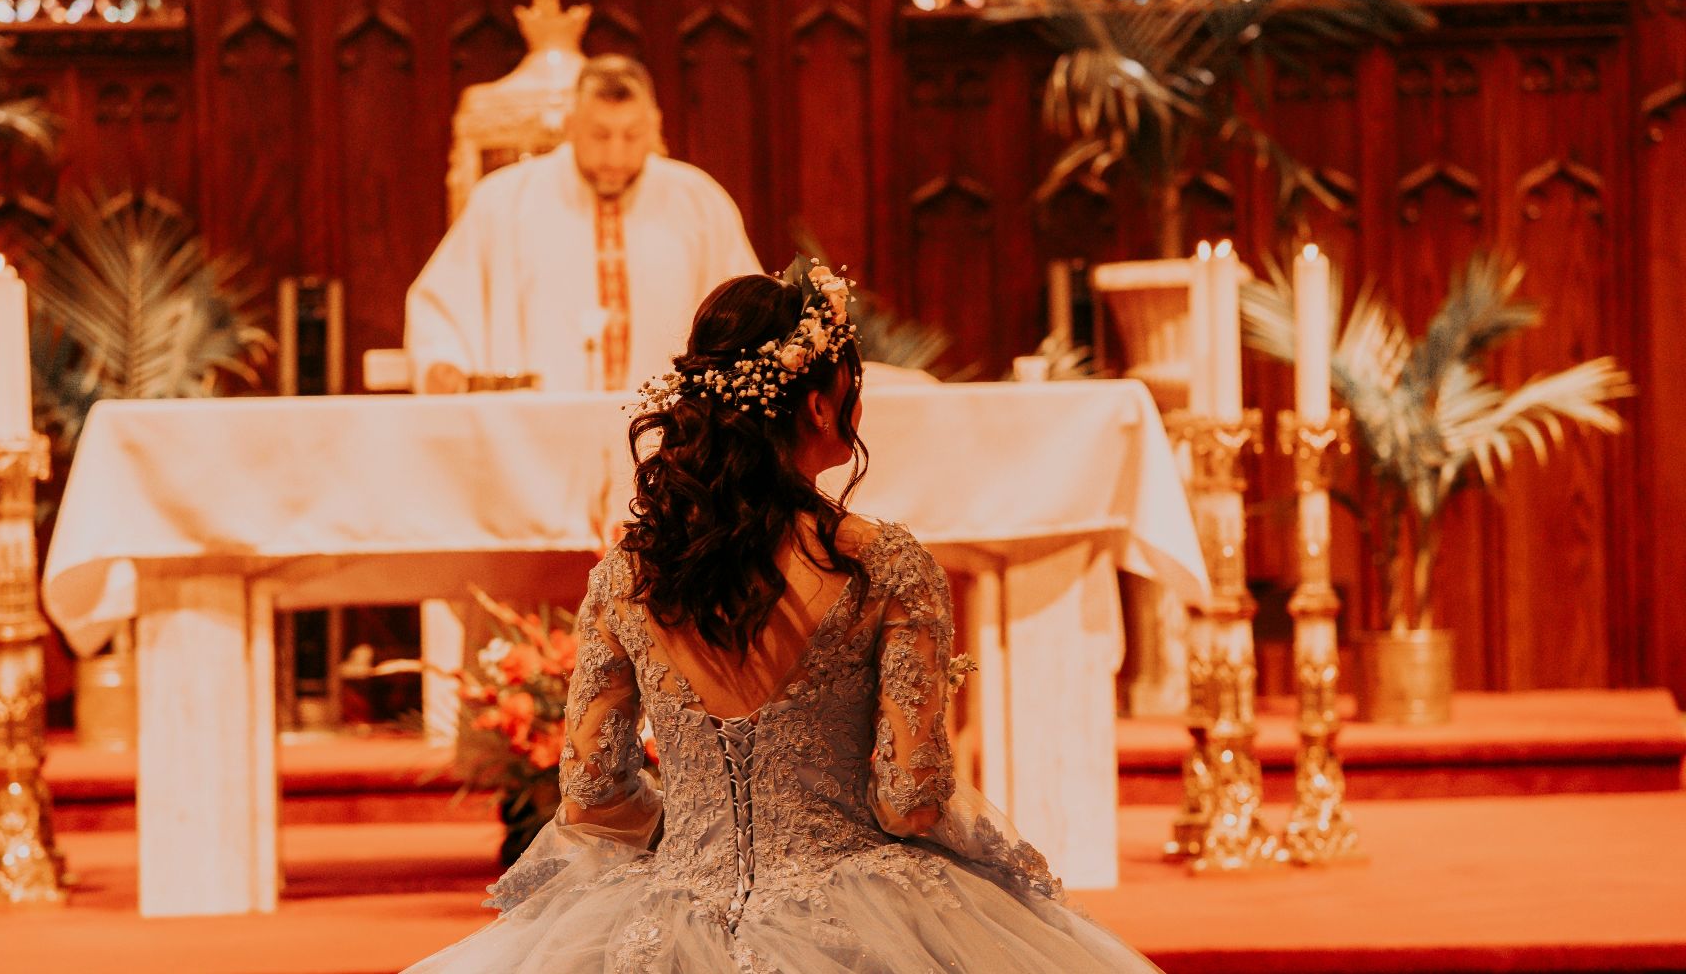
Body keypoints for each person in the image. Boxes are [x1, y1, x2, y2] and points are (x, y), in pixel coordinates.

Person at [404, 268, 1162, 972]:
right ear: (821, 404)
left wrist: (701, 832)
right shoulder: (884, 567)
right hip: (859, 912)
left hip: (667, 905)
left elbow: (592, 797)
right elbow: (911, 800)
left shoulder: (626, 577)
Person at [406, 55, 762, 394]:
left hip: (674, 433)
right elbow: (441, 304)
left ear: (655, 125)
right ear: (570, 126)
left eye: (632, 135)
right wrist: (442, 361)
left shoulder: (698, 202)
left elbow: (745, 311)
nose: (615, 155)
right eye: (600, 135)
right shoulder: (502, 202)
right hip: (535, 433)